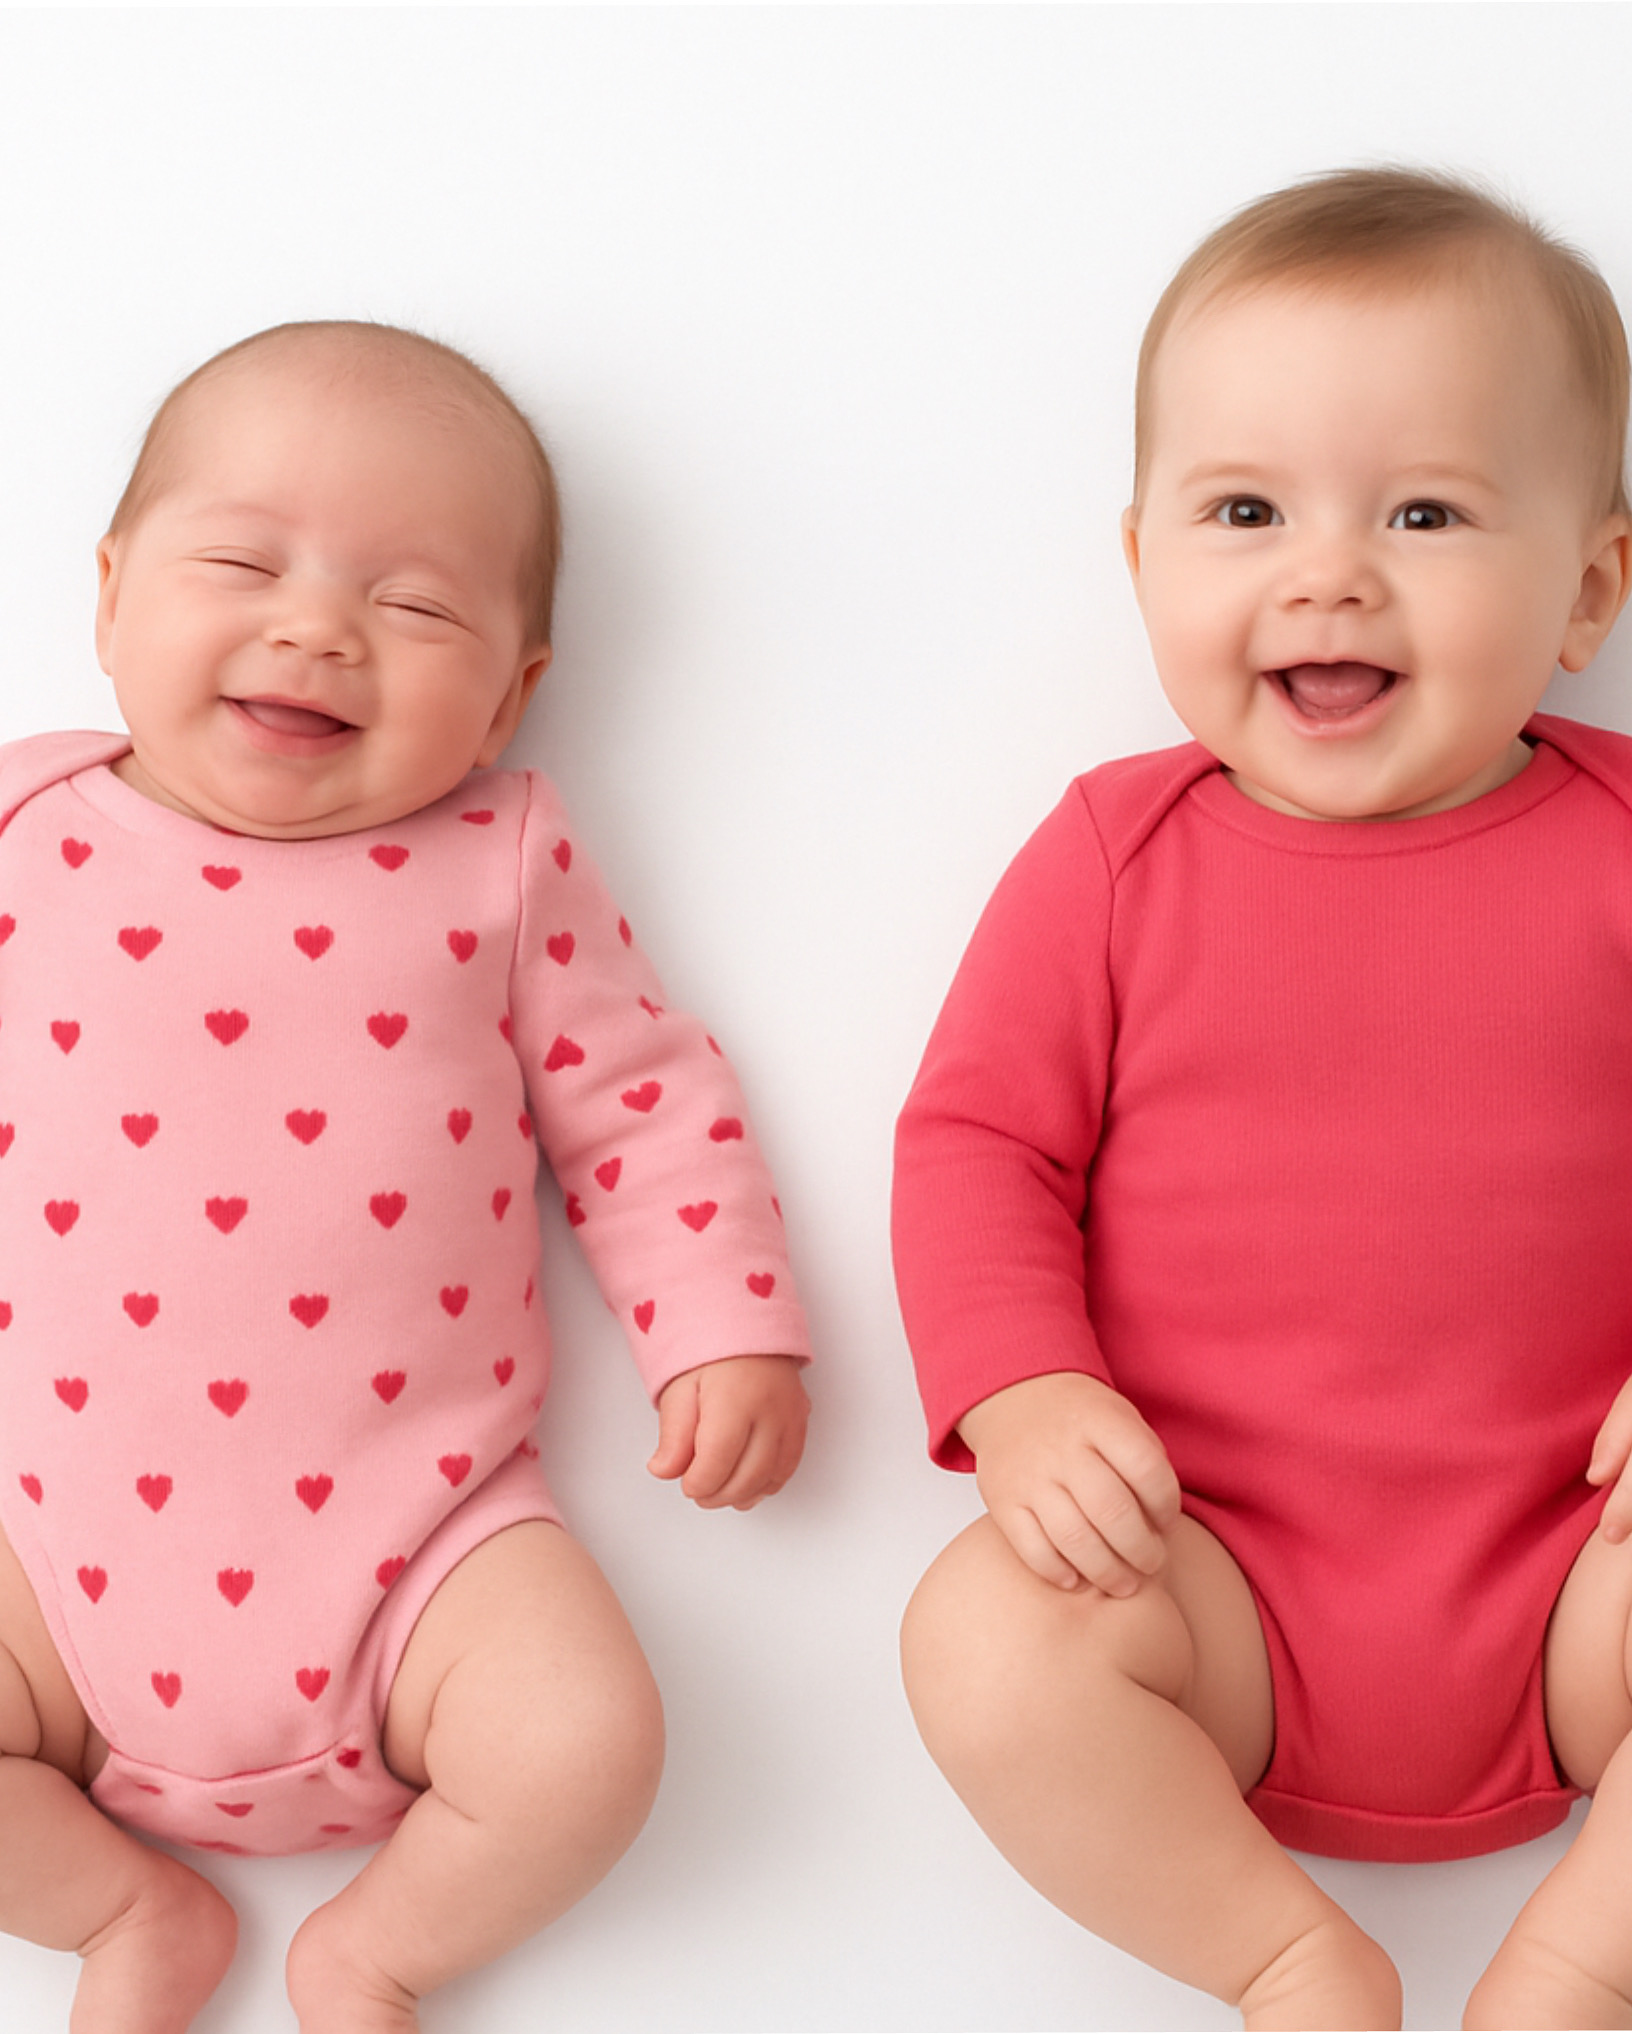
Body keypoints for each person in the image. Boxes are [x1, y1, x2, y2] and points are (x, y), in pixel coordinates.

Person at [0, 319, 811, 2033]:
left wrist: (724, 1325)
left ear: (512, 691)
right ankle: (123, 1914)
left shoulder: (495, 859)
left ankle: (377, 1948)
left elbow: (642, 1106)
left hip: (422, 1538)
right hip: (40, 1546)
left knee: (587, 1741)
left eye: (417, 604)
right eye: (243, 564)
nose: (316, 628)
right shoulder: (20, 829)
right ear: (112, 596)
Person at [894, 166, 1632, 2030]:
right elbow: (980, 1142)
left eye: (1425, 512)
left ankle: (1574, 1966)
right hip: (1206, 1580)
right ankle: (1286, 1958)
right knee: (980, 1640)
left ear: (1589, 587)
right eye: (1246, 511)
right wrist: (1021, 1389)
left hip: (1588, 1581)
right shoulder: (1113, 857)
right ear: (1143, 559)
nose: (1330, 572)